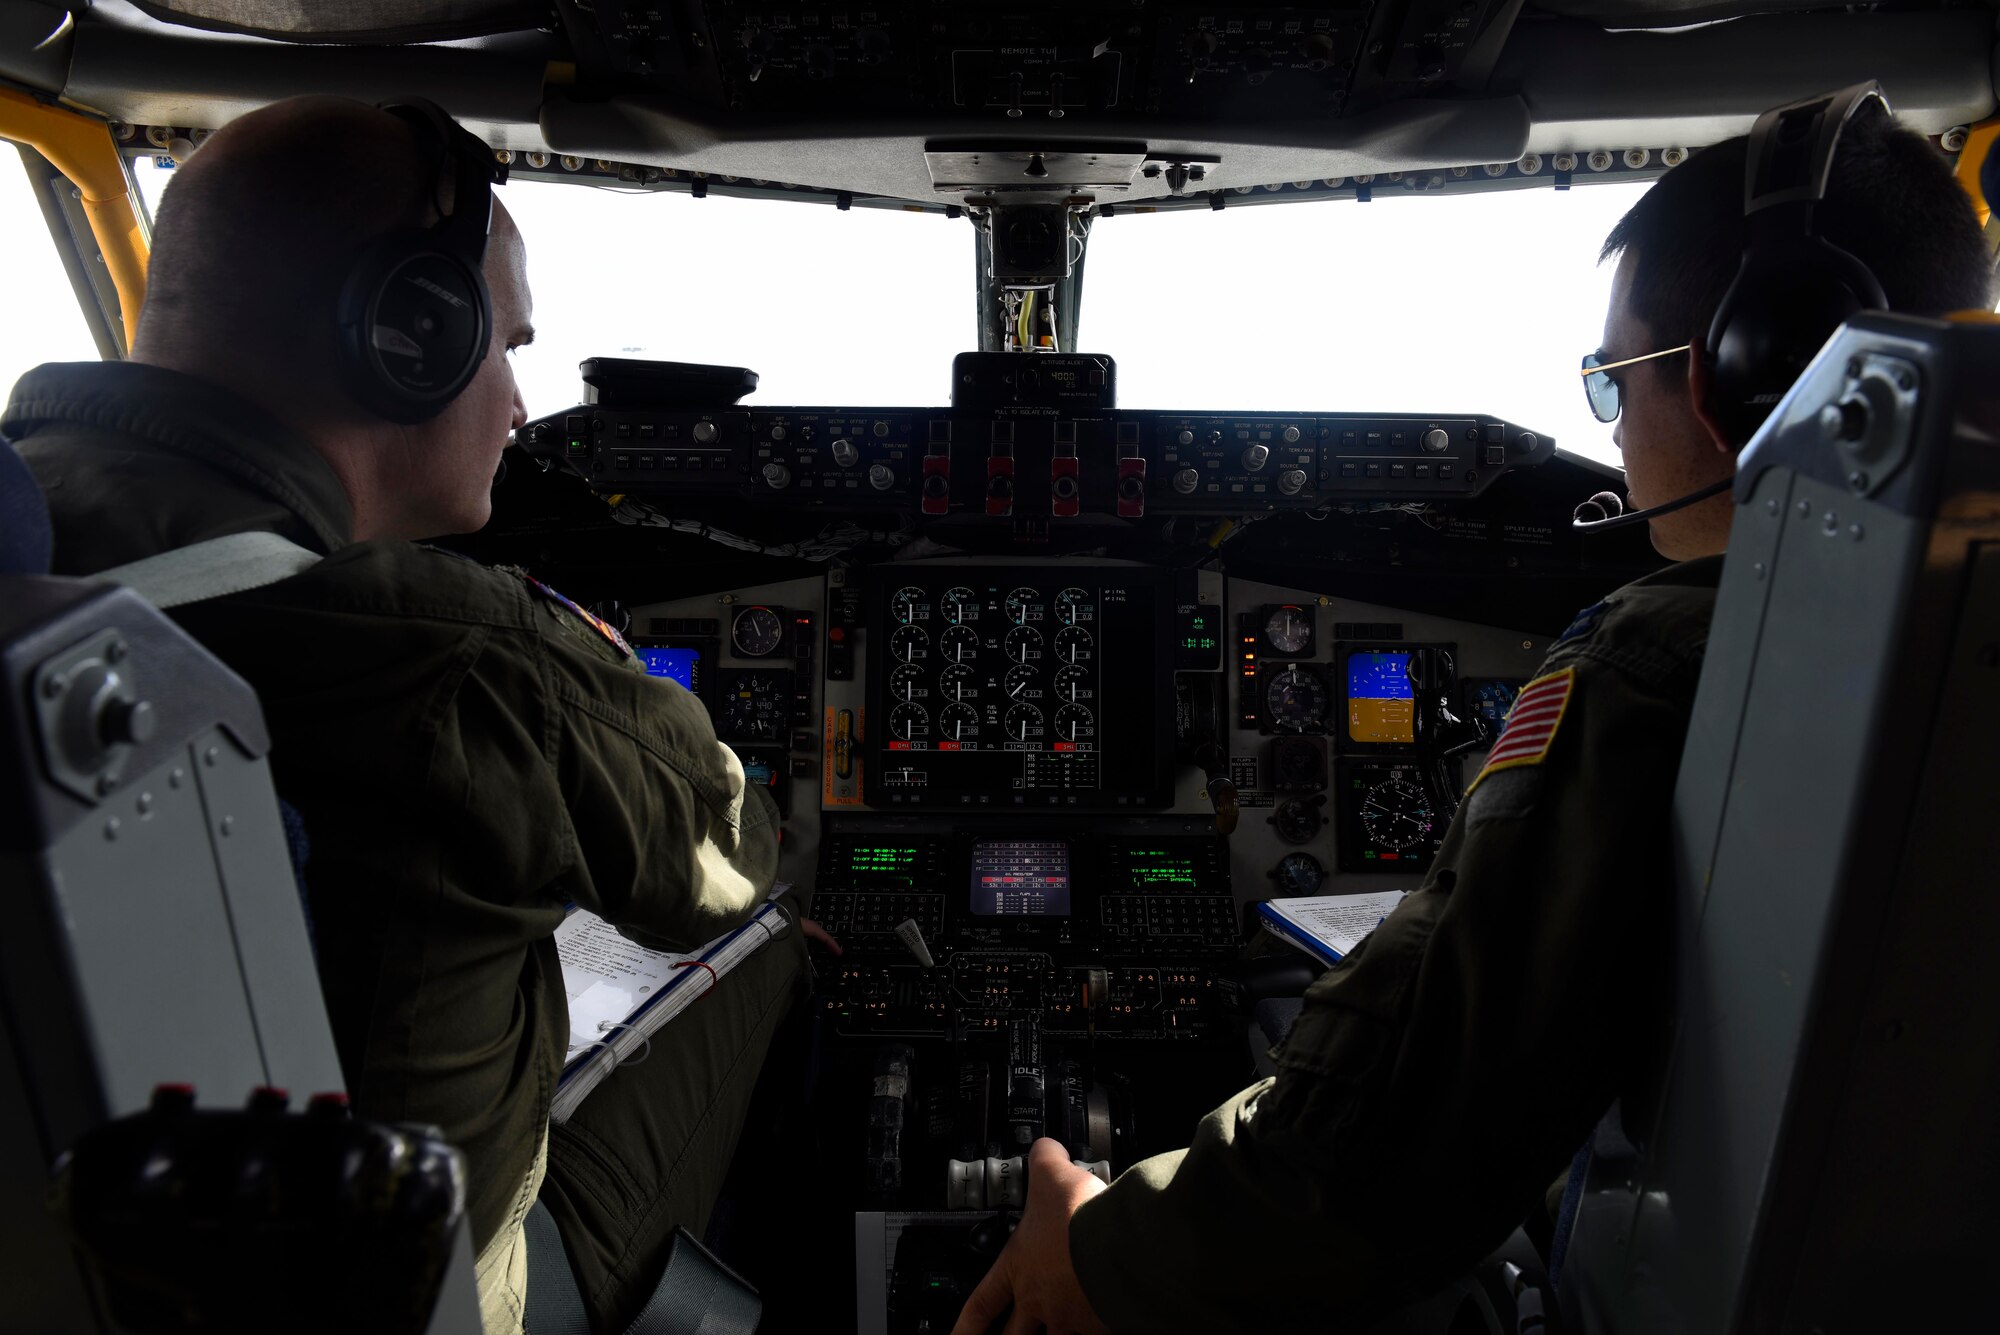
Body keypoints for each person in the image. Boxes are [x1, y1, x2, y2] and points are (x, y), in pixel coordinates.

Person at [953, 105, 1995, 1334]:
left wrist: (1096, 1244)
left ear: (1747, 367)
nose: (1611, 423)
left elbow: (1384, 1139)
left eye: (1615, 378)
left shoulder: (1654, 657)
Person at [4, 96, 826, 1335]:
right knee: (771, 949)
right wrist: (581, 668)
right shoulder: (460, 658)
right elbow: (733, 852)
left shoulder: (22, 540)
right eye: (509, 349)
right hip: (423, 1286)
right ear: (410, 335)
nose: (516, 406)